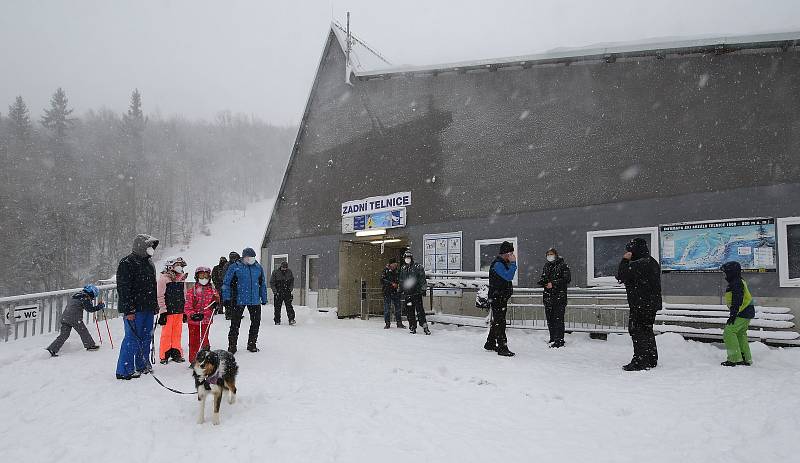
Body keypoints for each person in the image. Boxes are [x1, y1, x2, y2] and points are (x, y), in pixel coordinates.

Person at [115, 234, 159, 380]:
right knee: (132, 338)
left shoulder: (149, 263)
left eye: (152, 247)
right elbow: (124, 288)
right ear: (141, 246)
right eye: (149, 246)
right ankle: (124, 370)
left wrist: (155, 305)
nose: (151, 249)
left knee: (146, 337)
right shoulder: (127, 262)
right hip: (134, 310)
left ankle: (143, 364)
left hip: (148, 308)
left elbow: (152, 287)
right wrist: (128, 309)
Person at [616, 237, 662, 371]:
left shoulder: (641, 263)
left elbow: (621, 273)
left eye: (630, 250)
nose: (629, 252)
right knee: (647, 330)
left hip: (640, 303)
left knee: (637, 331)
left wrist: (625, 259)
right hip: (649, 303)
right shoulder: (651, 261)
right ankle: (651, 358)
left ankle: (640, 361)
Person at [222, 247, 267, 353]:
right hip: (238, 300)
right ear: (243, 257)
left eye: (252, 257)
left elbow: (262, 284)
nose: (250, 259)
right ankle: (232, 346)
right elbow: (226, 283)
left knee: (256, 323)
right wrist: (226, 298)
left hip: (255, 300)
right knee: (235, 324)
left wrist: (263, 297)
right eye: (248, 257)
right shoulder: (235, 267)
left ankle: (252, 344)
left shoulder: (258, 268)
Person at [46, 284, 104, 356]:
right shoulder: (85, 297)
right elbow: (90, 309)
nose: (93, 298)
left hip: (65, 317)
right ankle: (90, 345)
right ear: (91, 293)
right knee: (83, 331)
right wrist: (99, 306)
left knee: (64, 335)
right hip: (75, 318)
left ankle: (53, 348)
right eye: (93, 296)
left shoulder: (77, 295)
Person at [484, 241, 517, 356]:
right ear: (505, 253)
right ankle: (502, 347)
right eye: (511, 253)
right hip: (497, 297)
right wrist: (513, 264)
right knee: (500, 322)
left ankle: (490, 343)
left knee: (498, 321)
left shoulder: (502, 263)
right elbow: (509, 276)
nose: (512, 255)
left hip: (500, 297)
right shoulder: (498, 264)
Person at [720, 261, 755, 367]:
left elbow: (737, 299)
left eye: (725, 272)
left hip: (742, 311)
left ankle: (734, 359)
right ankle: (745, 358)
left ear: (731, 272)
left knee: (729, 332)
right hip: (747, 311)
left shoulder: (736, 282)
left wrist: (733, 314)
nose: (724, 275)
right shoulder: (738, 281)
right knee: (740, 334)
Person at [537, 248, 571, 348]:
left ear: (556, 255)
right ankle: (552, 338)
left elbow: (567, 279)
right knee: (550, 319)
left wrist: (554, 283)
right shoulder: (546, 266)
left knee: (558, 320)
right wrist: (543, 282)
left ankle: (559, 340)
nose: (549, 256)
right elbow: (544, 277)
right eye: (548, 254)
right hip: (548, 297)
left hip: (559, 297)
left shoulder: (562, 265)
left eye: (551, 254)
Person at [185, 266, 219, 364]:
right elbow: (187, 306)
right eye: (201, 276)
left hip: (205, 319)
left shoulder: (212, 290)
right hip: (193, 321)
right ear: (197, 277)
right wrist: (192, 315)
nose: (203, 278)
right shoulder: (192, 291)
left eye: (206, 276)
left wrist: (216, 304)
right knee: (194, 340)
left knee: (204, 339)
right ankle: (194, 360)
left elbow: (216, 300)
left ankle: (205, 358)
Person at [157, 256, 187, 364]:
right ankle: (164, 354)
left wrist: (184, 311)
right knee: (166, 333)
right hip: (168, 311)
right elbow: (160, 296)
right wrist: (163, 311)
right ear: (170, 266)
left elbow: (184, 295)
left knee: (177, 333)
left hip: (179, 311)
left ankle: (176, 352)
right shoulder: (164, 279)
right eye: (177, 265)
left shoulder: (181, 278)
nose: (179, 267)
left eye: (180, 265)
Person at [399, 249, 430, 335]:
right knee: (410, 311)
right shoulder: (403, 268)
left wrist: (423, 289)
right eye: (406, 258)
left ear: (411, 258)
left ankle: (424, 326)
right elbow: (401, 280)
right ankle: (412, 326)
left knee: (420, 310)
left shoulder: (418, 267)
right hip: (408, 295)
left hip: (416, 293)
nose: (407, 259)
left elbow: (422, 279)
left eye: (408, 257)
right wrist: (400, 289)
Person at [381, 258, 404, 329]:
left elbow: (401, 279)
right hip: (387, 292)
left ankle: (399, 323)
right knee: (387, 308)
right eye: (393, 264)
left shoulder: (398, 271)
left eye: (396, 264)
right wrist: (391, 284)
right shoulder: (385, 271)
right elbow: (382, 280)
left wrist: (400, 285)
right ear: (390, 264)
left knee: (398, 308)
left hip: (396, 292)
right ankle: (387, 323)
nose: (395, 265)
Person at [270, 261, 296, 325]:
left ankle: (291, 319)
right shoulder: (275, 272)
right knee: (277, 307)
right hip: (278, 292)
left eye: (285, 268)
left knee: (289, 306)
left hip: (287, 292)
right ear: (281, 267)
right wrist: (275, 292)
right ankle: (277, 320)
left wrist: (290, 289)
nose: (284, 269)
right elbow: (272, 283)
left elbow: (292, 281)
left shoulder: (289, 272)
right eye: (283, 268)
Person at [222, 251, 240, 320]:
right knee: (228, 300)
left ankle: (234, 314)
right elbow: (224, 276)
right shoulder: (228, 265)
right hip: (229, 285)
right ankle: (229, 314)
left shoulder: (232, 264)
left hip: (234, 285)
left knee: (234, 300)